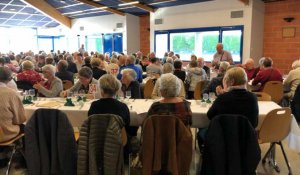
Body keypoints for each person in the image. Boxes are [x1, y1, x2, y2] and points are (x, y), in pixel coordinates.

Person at [88, 74, 136, 159]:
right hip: (119, 143)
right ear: (117, 90)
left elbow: (91, 124)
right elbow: (127, 126)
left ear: (101, 91)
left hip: (97, 142)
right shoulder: (122, 106)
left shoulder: (94, 106)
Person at [0, 67, 26, 167]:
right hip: (5, 134)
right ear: (10, 79)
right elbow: (20, 119)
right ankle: (24, 160)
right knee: (28, 128)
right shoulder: (11, 93)